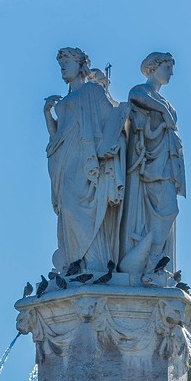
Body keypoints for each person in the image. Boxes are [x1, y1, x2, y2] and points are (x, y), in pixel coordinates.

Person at [44, 47, 127, 272]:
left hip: (86, 160)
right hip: (65, 161)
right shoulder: (65, 100)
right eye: (61, 64)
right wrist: (47, 115)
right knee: (68, 210)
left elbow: (112, 118)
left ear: (81, 65)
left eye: (67, 62)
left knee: (85, 207)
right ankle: (74, 262)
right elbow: (56, 139)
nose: (62, 67)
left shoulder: (92, 91)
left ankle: (94, 262)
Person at [117, 52, 186, 283]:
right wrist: (164, 112)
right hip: (149, 166)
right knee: (166, 211)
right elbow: (134, 96)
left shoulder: (164, 102)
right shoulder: (142, 91)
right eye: (167, 67)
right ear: (153, 69)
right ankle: (151, 261)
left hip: (165, 163)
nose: (171, 73)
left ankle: (155, 263)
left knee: (169, 212)